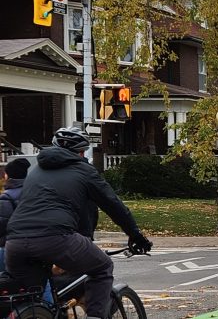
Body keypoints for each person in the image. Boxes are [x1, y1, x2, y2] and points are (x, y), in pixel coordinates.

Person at [6, 127, 152, 319]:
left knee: (38, 300)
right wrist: (135, 235)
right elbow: (113, 205)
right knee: (102, 267)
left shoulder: (35, 171)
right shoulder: (84, 170)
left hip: (15, 243)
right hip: (55, 238)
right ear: (82, 152)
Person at [0, 159, 54, 304]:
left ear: (7, 176)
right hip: (39, 244)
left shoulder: (7, 197)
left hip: (10, 246)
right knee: (42, 282)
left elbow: (2, 225)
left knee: (8, 283)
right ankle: (48, 309)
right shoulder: (37, 193)